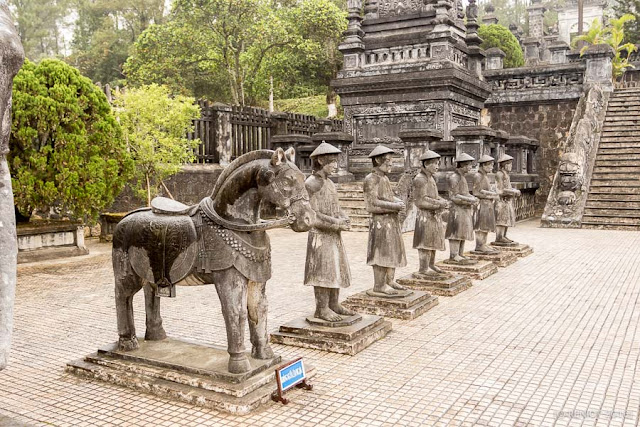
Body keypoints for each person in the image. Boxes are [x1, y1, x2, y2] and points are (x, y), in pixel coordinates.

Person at [303, 142, 356, 322]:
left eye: (336, 161)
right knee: (322, 272)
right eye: (332, 161)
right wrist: (336, 223)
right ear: (320, 161)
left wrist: (344, 217)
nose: (336, 165)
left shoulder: (330, 183)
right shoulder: (311, 183)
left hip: (333, 235)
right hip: (320, 236)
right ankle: (321, 308)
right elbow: (313, 215)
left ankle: (334, 304)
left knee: (335, 269)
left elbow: (336, 207)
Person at [364, 145, 407, 295]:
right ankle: (379, 285)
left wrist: (397, 201)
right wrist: (394, 206)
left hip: (391, 221)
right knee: (380, 253)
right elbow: (372, 204)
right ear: (377, 160)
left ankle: (390, 280)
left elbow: (387, 196)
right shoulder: (371, 179)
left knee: (392, 251)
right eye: (388, 160)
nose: (391, 163)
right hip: (380, 223)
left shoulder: (384, 178)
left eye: (391, 160)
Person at [412, 150, 449, 275]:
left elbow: (434, 196)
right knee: (425, 242)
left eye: (438, 163)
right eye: (434, 164)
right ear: (426, 164)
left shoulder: (431, 178)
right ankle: (423, 268)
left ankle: (431, 264)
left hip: (434, 214)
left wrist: (442, 201)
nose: (437, 166)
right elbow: (420, 201)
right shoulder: (420, 179)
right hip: (425, 216)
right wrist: (438, 204)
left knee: (434, 240)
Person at [444, 153, 479, 263]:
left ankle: (460, 253)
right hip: (457, 209)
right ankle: (454, 255)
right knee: (456, 232)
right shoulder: (454, 177)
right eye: (469, 165)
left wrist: (472, 198)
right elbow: (454, 196)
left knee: (463, 231)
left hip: (464, 208)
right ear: (463, 165)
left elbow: (465, 193)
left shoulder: (462, 177)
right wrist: (469, 199)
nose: (470, 167)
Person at [473, 154, 499, 253]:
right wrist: (490, 194)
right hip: (482, 204)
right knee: (481, 226)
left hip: (487, 204)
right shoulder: (478, 176)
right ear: (484, 165)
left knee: (486, 225)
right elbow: (476, 192)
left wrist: (491, 193)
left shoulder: (485, 176)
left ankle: (483, 244)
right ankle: (479, 245)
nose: (491, 167)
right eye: (490, 165)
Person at [494, 154, 521, 244]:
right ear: (505, 165)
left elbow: (508, 187)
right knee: (501, 219)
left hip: (507, 200)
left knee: (506, 219)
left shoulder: (506, 175)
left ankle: (503, 236)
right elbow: (500, 190)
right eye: (509, 164)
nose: (511, 166)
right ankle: (499, 236)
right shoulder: (499, 174)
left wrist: (513, 190)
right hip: (501, 200)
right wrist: (513, 192)